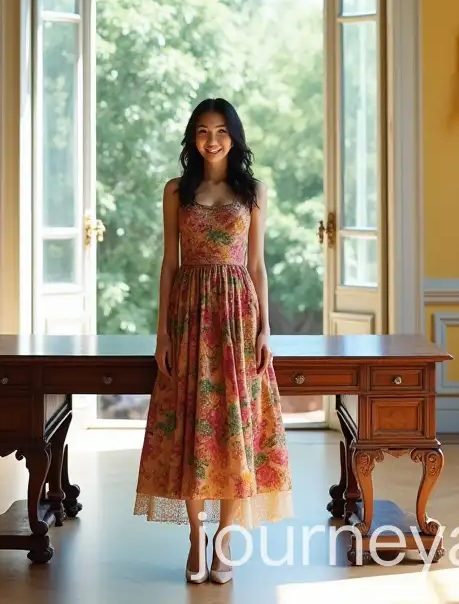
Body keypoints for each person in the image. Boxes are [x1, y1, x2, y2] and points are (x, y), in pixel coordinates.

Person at [133, 98, 293, 585]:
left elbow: (257, 267)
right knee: (191, 427)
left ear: (234, 137)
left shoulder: (254, 191)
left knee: (231, 429)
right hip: (188, 316)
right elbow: (168, 264)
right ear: (193, 138)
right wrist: (161, 332)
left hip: (238, 319)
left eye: (221, 130)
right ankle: (194, 538)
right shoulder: (176, 190)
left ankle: (225, 539)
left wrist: (265, 327)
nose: (212, 139)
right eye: (203, 131)